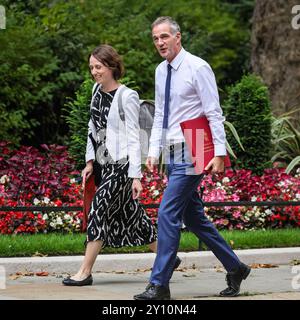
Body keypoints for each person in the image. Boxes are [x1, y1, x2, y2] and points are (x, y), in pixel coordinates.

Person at [134, 17, 251, 300]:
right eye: (155, 38)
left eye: (164, 36)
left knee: (167, 213)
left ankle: (159, 284)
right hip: (171, 151)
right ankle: (235, 267)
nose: (160, 42)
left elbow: (213, 111)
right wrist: (152, 151)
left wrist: (220, 153)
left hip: (194, 147)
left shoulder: (198, 67)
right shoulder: (161, 71)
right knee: (193, 218)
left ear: (178, 37)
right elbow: (160, 113)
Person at [62, 44, 181, 287]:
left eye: (98, 67)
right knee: (132, 217)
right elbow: (92, 128)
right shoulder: (96, 90)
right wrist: (89, 161)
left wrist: (135, 176)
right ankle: (169, 258)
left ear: (112, 67)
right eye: (91, 67)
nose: (94, 72)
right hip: (103, 166)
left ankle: (85, 272)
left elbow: (134, 137)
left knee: (98, 211)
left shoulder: (127, 96)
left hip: (121, 167)